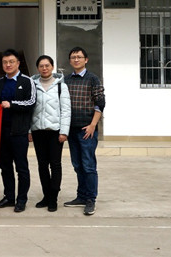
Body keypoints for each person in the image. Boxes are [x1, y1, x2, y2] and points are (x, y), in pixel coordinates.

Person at [63, 47, 105, 216]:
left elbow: (100, 103)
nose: (76, 60)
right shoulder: (66, 80)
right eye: (73, 57)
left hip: (87, 130)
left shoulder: (93, 79)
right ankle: (81, 196)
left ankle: (90, 199)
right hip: (71, 129)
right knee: (77, 165)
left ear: (86, 60)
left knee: (88, 165)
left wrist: (93, 125)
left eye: (79, 57)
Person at [0, 49, 36, 213]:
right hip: (2, 132)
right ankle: (9, 197)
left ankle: (22, 199)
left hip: (19, 131)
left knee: (21, 167)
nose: (8, 65)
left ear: (18, 63)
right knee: (5, 167)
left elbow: (31, 102)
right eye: (5, 62)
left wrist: (12, 105)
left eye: (11, 62)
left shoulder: (27, 81)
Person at [30, 55, 71, 212]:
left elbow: (66, 110)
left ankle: (53, 197)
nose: (44, 68)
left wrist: (64, 131)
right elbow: (29, 110)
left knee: (55, 165)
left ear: (52, 67)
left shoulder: (61, 86)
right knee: (42, 165)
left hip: (55, 132)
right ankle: (46, 196)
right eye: (41, 66)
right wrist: (29, 130)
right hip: (38, 131)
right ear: (38, 68)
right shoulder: (32, 85)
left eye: (47, 65)